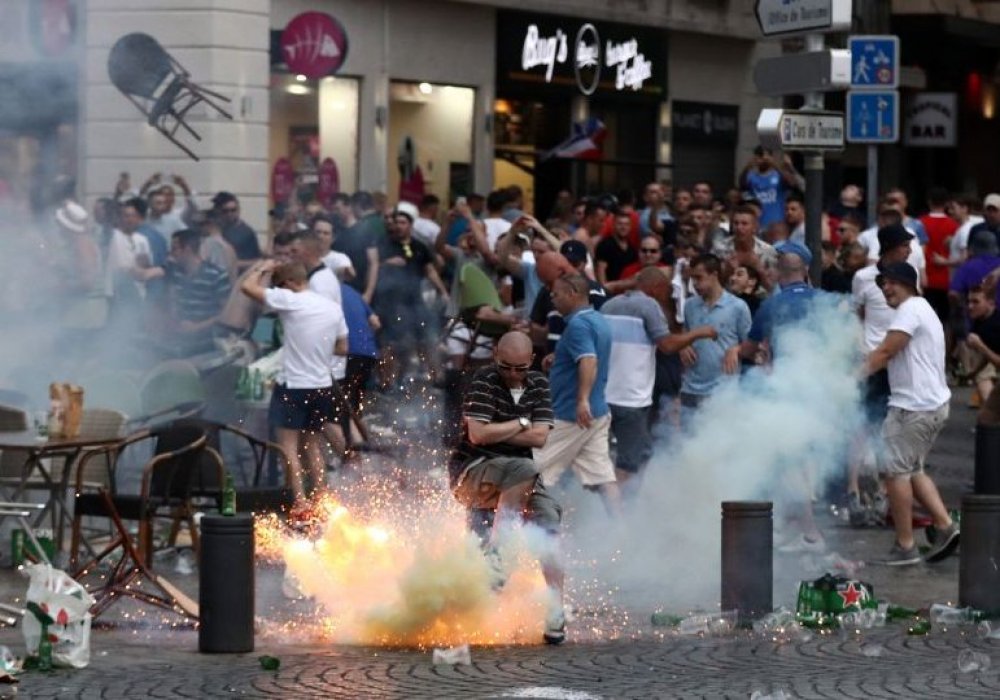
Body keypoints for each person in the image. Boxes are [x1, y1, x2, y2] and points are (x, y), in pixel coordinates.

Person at [448, 331, 566, 644]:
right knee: (525, 467)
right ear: (495, 356)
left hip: (518, 478)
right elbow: (478, 436)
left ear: (531, 362)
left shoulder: (539, 383)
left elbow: (541, 438)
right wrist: (523, 424)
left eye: (520, 368)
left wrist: (500, 430)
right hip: (473, 471)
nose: (513, 374)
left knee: (549, 519)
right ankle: (499, 558)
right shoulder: (483, 380)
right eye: (506, 367)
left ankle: (555, 611)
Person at [863, 261, 959, 565]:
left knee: (895, 473)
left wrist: (847, 380)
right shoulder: (920, 308)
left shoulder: (910, 309)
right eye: (881, 283)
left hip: (913, 408)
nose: (885, 289)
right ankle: (944, 526)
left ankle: (905, 546)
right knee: (912, 469)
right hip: (927, 405)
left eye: (891, 282)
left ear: (908, 283)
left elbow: (886, 351)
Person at [240, 261, 348, 509]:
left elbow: (247, 287)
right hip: (321, 385)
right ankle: (320, 497)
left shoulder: (290, 300)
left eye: (279, 286)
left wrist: (263, 268)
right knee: (312, 444)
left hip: (293, 385)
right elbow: (343, 348)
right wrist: (318, 348)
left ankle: (300, 502)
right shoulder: (333, 308)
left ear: (289, 284)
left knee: (287, 446)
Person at [740, 242, 826, 552]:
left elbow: (748, 350)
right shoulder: (824, 301)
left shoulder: (772, 306)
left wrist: (736, 352)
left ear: (779, 272)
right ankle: (796, 527)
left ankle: (810, 533)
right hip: (822, 393)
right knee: (799, 461)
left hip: (788, 392)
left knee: (792, 461)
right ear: (805, 272)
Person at [602, 267, 717, 490]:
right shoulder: (648, 305)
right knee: (630, 462)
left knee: (641, 452)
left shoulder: (609, 305)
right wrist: (698, 333)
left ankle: (623, 505)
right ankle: (619, 512)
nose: (667, 297)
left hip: (607, 394)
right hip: (631, 397)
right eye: (665, 291)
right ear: (656, 288)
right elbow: (667, 345)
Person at [534, 273, 622, 516]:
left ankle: (536, 533)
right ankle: (622, 529)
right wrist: (559, 358)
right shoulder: (597, 319)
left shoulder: (578, 325)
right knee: (603, 478)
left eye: (556, 294)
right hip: (597, 414)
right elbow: (586, 355)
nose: (552, 300)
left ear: (572, 293)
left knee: (531, 472)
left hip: (571, 416)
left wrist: (581, 399)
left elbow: (589, 359)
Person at [678, 254, 751, 431]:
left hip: (722, 392)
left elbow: (751, 347)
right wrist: (683, 345)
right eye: (691, 278)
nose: (694, 284)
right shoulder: (689, 305)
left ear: (715, 275)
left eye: (699, 278)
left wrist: (736, 349)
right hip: (691, 390)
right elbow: (685, 334)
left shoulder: (737, 307)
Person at [166, 228, 232, 355]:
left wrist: (196, 327)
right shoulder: (175, 273)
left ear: (187, 250)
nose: (171, 253)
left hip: (207, 343)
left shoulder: (216, 275)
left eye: (175, 249)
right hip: (180, 341)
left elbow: (226, 314)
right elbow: (173, 302)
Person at [738, 146, 803, 227]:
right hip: (757, 224)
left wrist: (774, 164)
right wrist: (749, 166)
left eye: (767, 155)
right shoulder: (751, 176)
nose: (764, 159)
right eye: (760, 156)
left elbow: (792, 183)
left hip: (778, 224)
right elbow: (741, 184)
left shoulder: (778, 175)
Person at [965, 286, 1000, 424]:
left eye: (975, 302)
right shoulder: (979, 322)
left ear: (990, 303)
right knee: (985, 418)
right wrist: (974, 372)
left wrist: (980, 346)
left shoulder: (997, 324)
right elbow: (990, 353)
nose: (970, 306)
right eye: (969, 301)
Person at [212, 192, 261, 270]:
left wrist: (234, 264)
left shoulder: (246, 233)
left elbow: (256, 261)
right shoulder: (215, 228)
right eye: (225, 211)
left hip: (238, 278)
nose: (230, 214)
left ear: (238, 210)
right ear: (219, 211)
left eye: (233, 210)